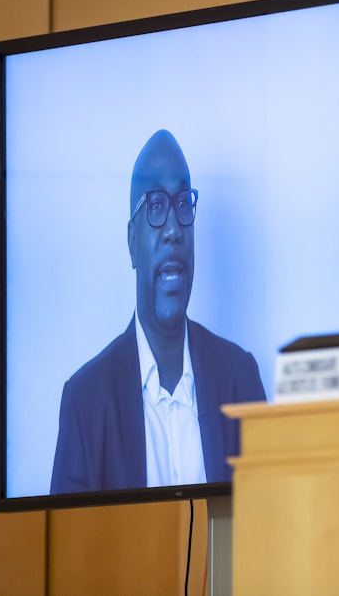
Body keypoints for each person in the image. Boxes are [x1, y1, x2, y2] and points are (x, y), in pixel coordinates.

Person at [51, 129, 266, 494]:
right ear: (133, 241)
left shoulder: (239, 376)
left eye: (183, 204)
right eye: (155, 205)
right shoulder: (86, 400)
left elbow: (276, 520)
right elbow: (68, 543)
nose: (172, 230)